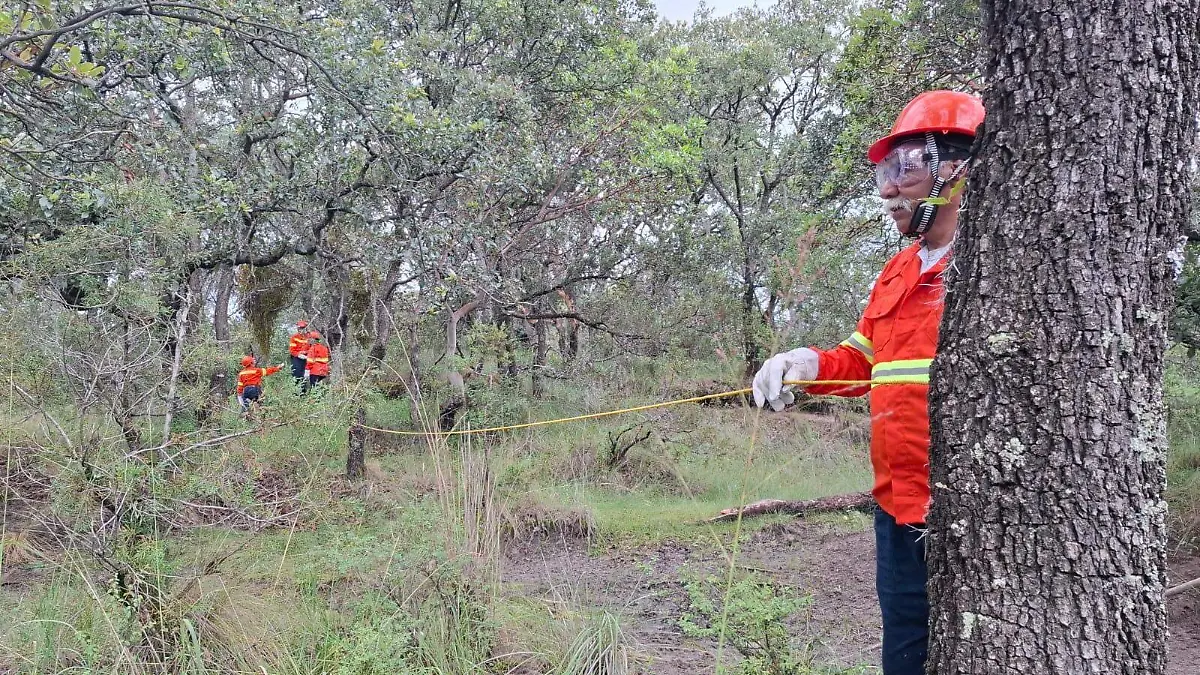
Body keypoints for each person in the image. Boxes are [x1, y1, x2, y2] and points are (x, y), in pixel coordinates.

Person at [751, 90, 985, 675]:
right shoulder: (897, 271)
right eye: (886, 170)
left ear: (956, 169)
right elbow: (862, 361)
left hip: (974, 515)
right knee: (905, 657)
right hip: (898, 507)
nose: (886, 189)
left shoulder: (997, 266)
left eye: (904, 167)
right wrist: (802, 364)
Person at [288, 320, 310, 385]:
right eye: (300, 328)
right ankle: (296, 393)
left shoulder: (308, 337)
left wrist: (306, 354)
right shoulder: (294, 338)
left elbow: (311, 348)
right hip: (296, 359)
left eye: (303, 328)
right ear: (298, 328)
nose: (301, 330)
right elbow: (292, 350)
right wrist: (299, 354)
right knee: (296, 376)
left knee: (304, 376)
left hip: (306, 359)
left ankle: (303, 393)